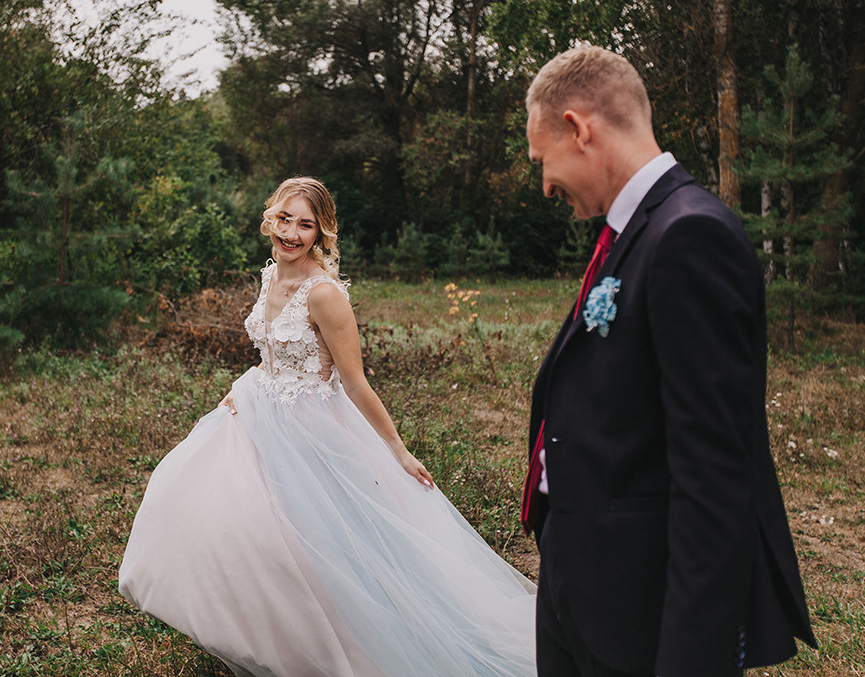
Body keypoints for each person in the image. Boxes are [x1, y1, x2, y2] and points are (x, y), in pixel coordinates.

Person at [118, 176, 538, 677]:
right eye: (284, 219)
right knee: (209, 511)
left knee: (317, 545)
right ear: (269, 217)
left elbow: (356, 383)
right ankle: (260, 633)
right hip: (258, 411)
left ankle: (335, 647)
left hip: (312, 429)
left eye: (306, 225)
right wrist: (248, 384)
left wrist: (398, 451)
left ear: (322, 233)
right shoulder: (270, 274)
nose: (291, 233)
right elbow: (271, 351)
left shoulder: (325, 294)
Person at [520, 46, 816, 677]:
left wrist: (691, 660)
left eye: (543, 161)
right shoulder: (632, 233)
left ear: (579, 128)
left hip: (637, 613)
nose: (544, 184)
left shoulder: (690, 236)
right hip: (582, 583)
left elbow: (715, 478)